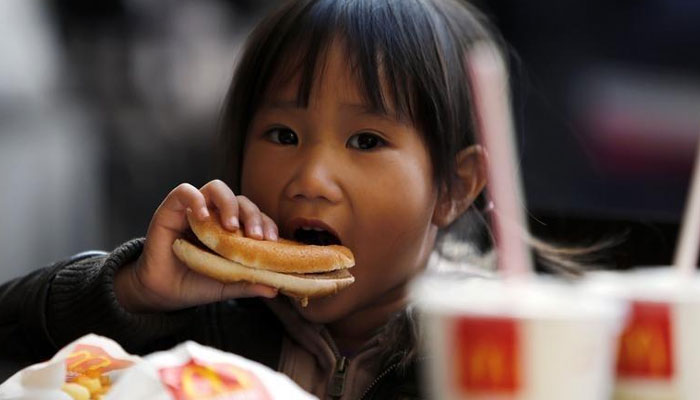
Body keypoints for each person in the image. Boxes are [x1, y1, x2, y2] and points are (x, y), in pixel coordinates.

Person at [0, 0, 501, 398]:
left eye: (366, 141)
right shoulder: (206, 324)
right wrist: (136, 292)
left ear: (454, 188)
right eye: (283, 135)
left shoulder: (485, 349)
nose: (311, 179)